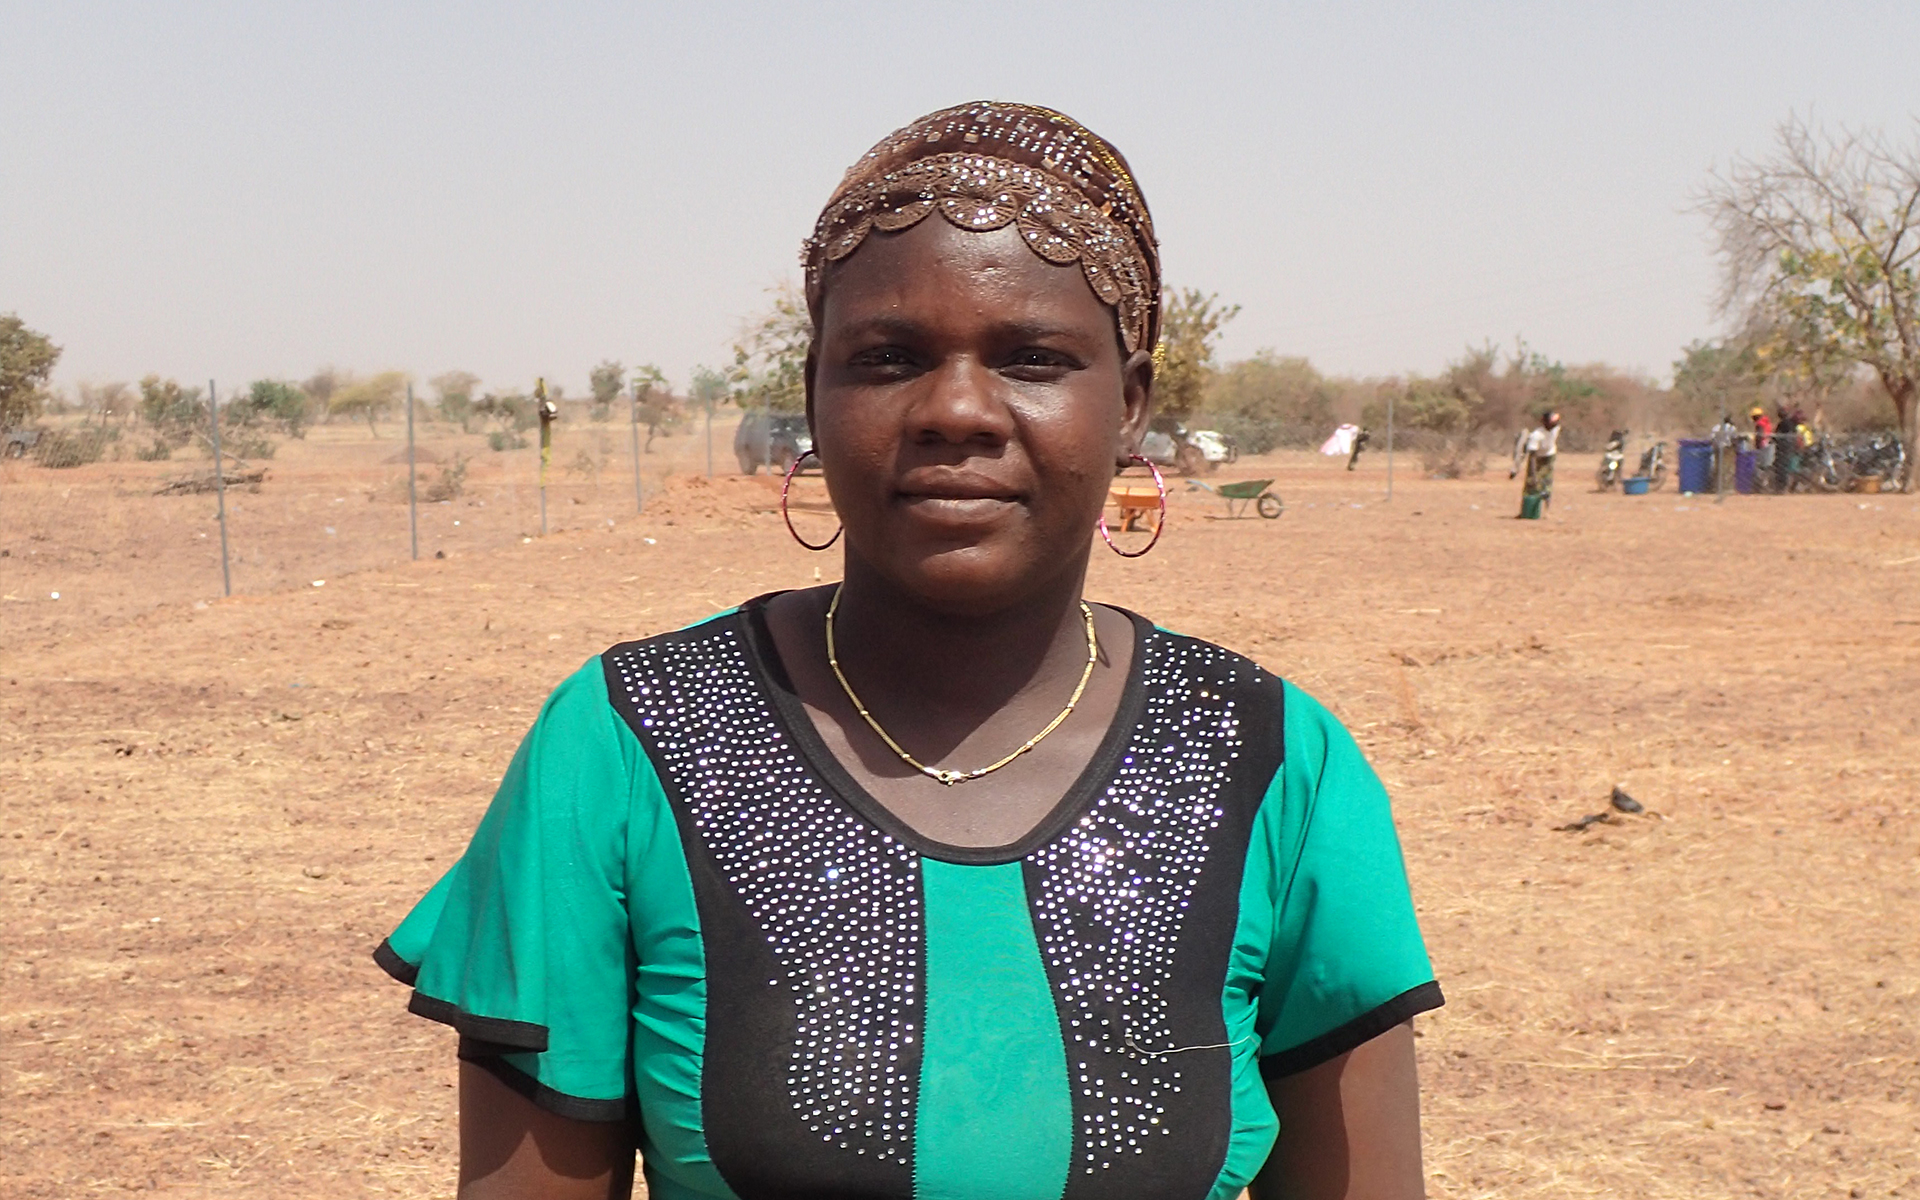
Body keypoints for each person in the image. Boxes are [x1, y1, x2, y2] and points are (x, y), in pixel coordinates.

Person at [374, 102, 1442, 1200]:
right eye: (888, 358)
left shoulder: (1271, 761)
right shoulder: (627, 743)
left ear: (1127, 407)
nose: (959, 411)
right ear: (814, 399)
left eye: (1032, 357)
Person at [1517, 410, 1561, 518]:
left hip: (1549, 456)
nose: (1554, 424)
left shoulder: (1556, 429)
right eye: (1552, 422)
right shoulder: (1536, 435)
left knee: (1547, 484)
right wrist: (1533, 474)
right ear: (1545, 422)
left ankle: (1546, 511)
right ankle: (1525, 511)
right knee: (1531, 484)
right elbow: (1532, 457)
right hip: (1537, 459)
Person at [1750, 406, 1774, 493]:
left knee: (1759, 467)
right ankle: (1766, 484)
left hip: (1762, 446)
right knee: (1767, 466)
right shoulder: (1767, 422)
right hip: (1769, 445)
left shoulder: (1760, 424)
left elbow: (1759, 436)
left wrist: (1757, 445)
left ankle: (1761, 486)